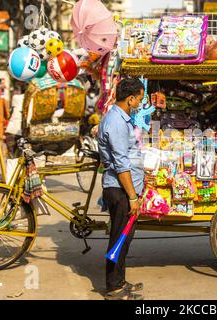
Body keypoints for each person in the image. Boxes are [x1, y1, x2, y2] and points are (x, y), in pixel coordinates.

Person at [98, 78, 145, 300]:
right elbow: (121, 164)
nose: (140, 103)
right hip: (119, 189)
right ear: (131, 98)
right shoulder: (116, 122)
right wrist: (133, 196)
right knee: (118, 238)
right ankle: (114, 288)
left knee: (124, 238)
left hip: (123, 188)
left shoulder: (121, 118)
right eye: (140, 99)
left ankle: (120, 281)